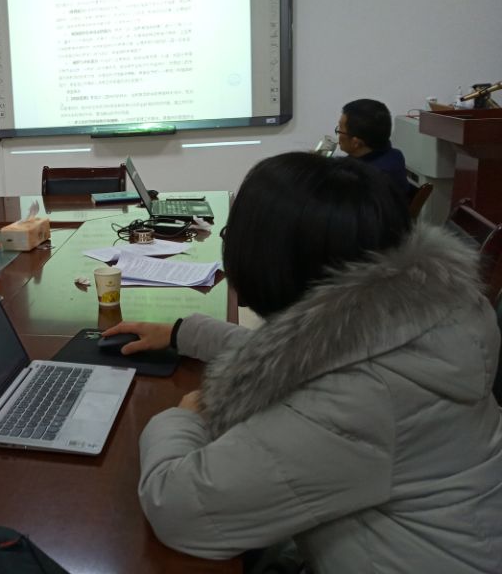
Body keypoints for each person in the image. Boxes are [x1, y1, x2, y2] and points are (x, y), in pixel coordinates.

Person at [103, 152, 502, 573]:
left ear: (272, 261)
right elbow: (305, 356)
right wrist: (184, 333)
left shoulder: (360, 399)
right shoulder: (418, 326)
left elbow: (179, 509)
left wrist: (182, 418)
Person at [336, 98, 411, 195]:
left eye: (340, 130)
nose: (338, 134)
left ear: (356, 143)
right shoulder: (395, 154)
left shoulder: (366, 179)